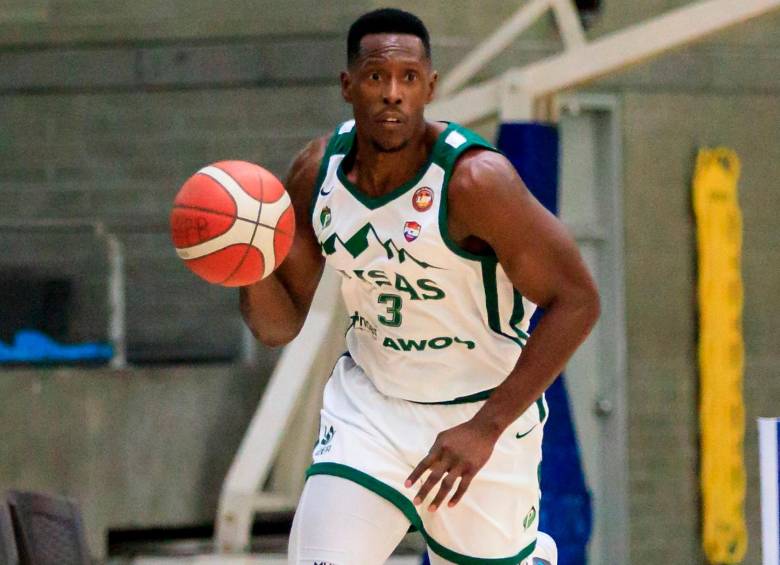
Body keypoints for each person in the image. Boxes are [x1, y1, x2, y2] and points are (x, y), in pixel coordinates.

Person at [240, 8, 599, 565]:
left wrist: (485, 428)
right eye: (377, 77)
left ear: (429, 87)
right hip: (371, 412)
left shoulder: (477, 182)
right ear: (347, 85)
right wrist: (245, 262)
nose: (392, 94)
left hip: (480, 418)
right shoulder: (317, 173)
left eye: (408, 78)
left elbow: (578, 301)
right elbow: (277, 325)